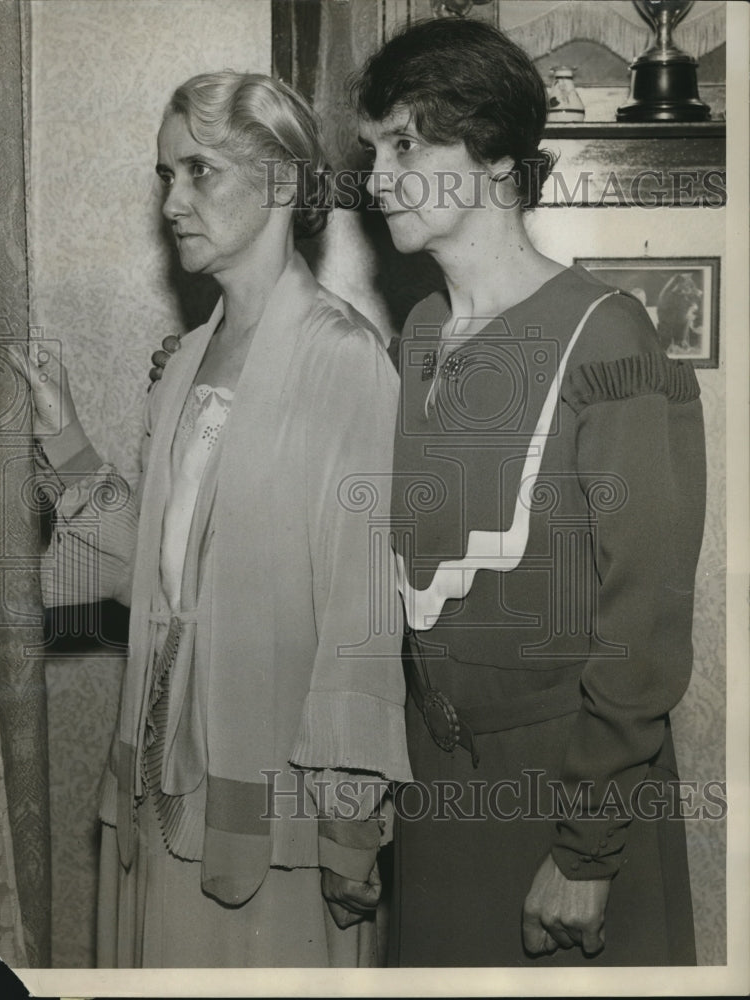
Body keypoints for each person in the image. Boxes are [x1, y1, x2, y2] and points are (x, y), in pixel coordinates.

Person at [21, 71, 411, 968]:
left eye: (199, 171)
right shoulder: (187, 360)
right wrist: (66, 439)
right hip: (163, 787)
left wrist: (350, 830)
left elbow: (360, 620)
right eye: (165, 175)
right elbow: (155, 575)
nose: (172, 201)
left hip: (274, 813)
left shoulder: (342, 360)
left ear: (280, 183)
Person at [352, 18, 706, 967]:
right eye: (372, 150)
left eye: (404, 144)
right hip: (434, 789)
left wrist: (586, 851)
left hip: (566, 798)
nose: (378, 178)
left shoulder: (611, 338)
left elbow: (645, 623)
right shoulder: (418, 334)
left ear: (495, 155)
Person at [656, 273, 704, 355]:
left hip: (678, 327)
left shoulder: (680, 295)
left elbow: (692, 296)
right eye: (688, 287)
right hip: (669, 325)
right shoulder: (670, 296)